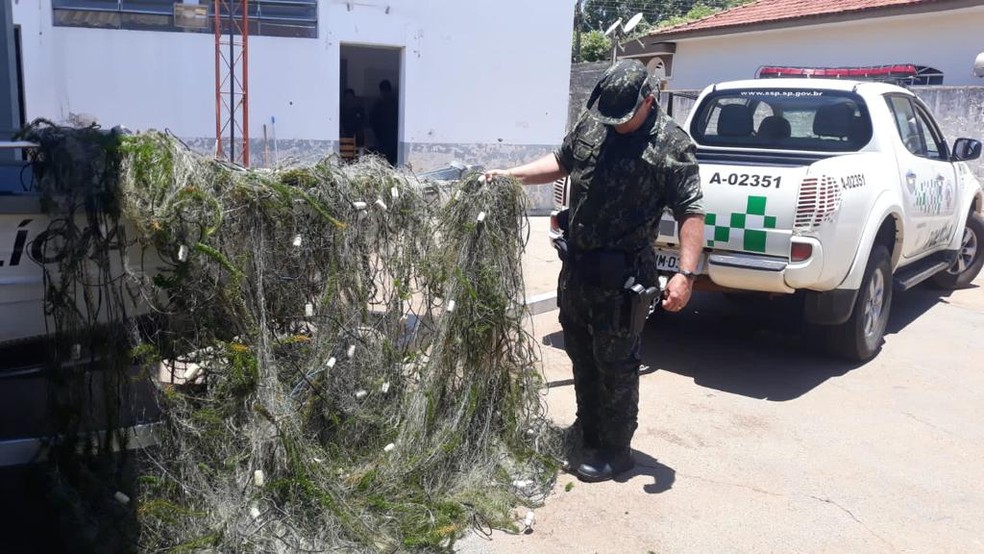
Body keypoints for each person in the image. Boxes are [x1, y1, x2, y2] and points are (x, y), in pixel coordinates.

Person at [485, 60, 704, 482]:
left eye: (624, 118)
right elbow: (562, 161)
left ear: (649, 101)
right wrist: (511, 176)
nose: (615, 125)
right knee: (580, 353)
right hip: (579, 269)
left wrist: (685, 274)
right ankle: (587, 429)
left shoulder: (671, 145)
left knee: (616, 365)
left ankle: (615, 449)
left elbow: (690, 211)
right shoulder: (595, 122)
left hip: (622, 278)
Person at [370, 80, 399, 165]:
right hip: (386, 136)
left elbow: (372, 120)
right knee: (389, 159)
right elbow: (372, 120)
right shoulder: (394, 103)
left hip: (387, 137)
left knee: (385, 159)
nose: (384, 93)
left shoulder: (380, 104)